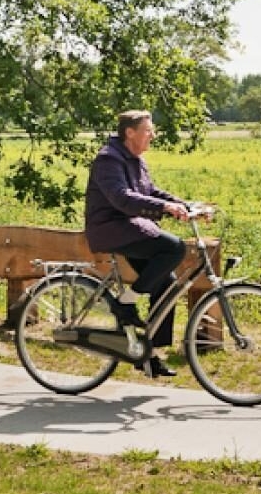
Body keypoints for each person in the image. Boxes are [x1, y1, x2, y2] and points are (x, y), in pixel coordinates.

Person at [84, 109, 206, 378]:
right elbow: (122, 199)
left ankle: (148, 353)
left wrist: (186, 206)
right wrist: (165, 207)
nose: (153, 135)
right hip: (110, 228)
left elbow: (150, 192)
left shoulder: (136, 160)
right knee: (174, 247)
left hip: (130, 227)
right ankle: (125, 302)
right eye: (148, 130)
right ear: (130, 132)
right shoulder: (108, 159)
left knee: (166, 283)